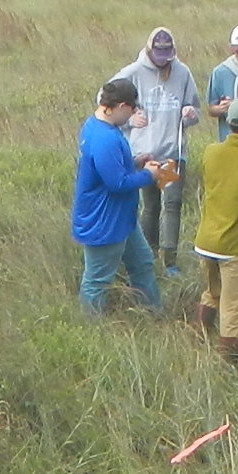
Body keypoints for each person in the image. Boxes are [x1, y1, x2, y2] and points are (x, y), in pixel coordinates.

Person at [72, 77, 173, 314]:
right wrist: (149, 175)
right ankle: (90, 327)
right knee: (97, 280)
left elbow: (111, 169)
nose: (131, 117)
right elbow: (117, 183)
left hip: (123, 220)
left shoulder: (96, 126)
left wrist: (135, 162)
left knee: (143, 263)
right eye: (131, 110)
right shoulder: (105, 138)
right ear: (121, 107)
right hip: (104, 222)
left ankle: (152, 313)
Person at [188, 94, 238, 366]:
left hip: (206, 241)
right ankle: (231, 363)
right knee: (233, 305)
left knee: (212, 291)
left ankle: (199, 335)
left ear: (229, 121)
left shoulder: (211, 152)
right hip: (234, 246)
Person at [114, 28, 201, 276]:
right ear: (150, 50)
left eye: (167, 54)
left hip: (172, 153)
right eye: (158, 53)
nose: (163, 59)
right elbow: (105, 99)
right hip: (144, 155)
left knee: (172, 204)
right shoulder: (132, 73)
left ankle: (170, 261)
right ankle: (148, 256)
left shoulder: (182, 73)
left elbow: (194, 107)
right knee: (150, 206)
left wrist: (189, 114)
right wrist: (130, 119)